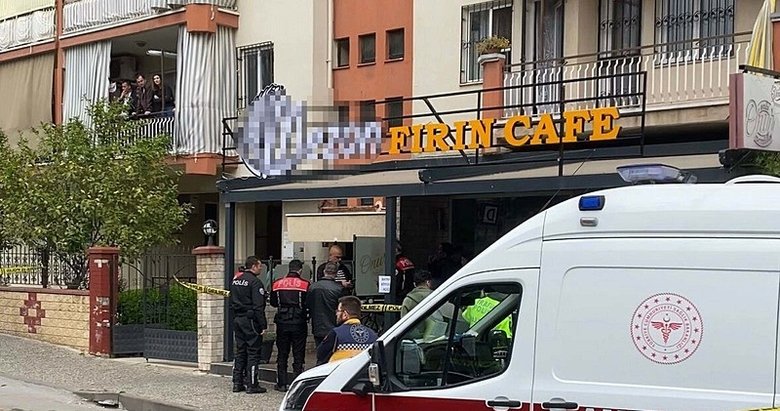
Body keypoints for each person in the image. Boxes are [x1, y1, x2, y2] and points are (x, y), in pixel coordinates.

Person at [229, 256, 268, 394]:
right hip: (250, 320)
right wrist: (263, 325)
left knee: (240, 351)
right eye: (259, 266)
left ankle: (237, 383)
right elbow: (258, 306)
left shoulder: (236, 279)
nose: (261, 268)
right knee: (253, 352)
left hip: (238, 319)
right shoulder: (255, 282)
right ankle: (252, 384)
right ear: (253, 266)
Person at [269, 259, 310, 392]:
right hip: (299, 322)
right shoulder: (305, 284)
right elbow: (308, 303)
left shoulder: (277, 283)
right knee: (298, 354)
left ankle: (281, 383)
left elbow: (273, 303)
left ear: (289, 268)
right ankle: (297, 384)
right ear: (300, 270)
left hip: (282, 322)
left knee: (282, 353)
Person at [316, 296, 378, 365]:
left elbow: (321, 354)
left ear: (345, 314)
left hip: (342, 371)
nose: (336, 314)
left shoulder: (336, 333)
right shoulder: (373, 335)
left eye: (338, 311)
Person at [307, 261, 346, 349]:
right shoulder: (339, 288)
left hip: (317, 325)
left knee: (320, 351)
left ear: (324, 271)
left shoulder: (313, 287)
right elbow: (343, 308)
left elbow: (308, 304)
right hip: (334, 325)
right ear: (336, 273)